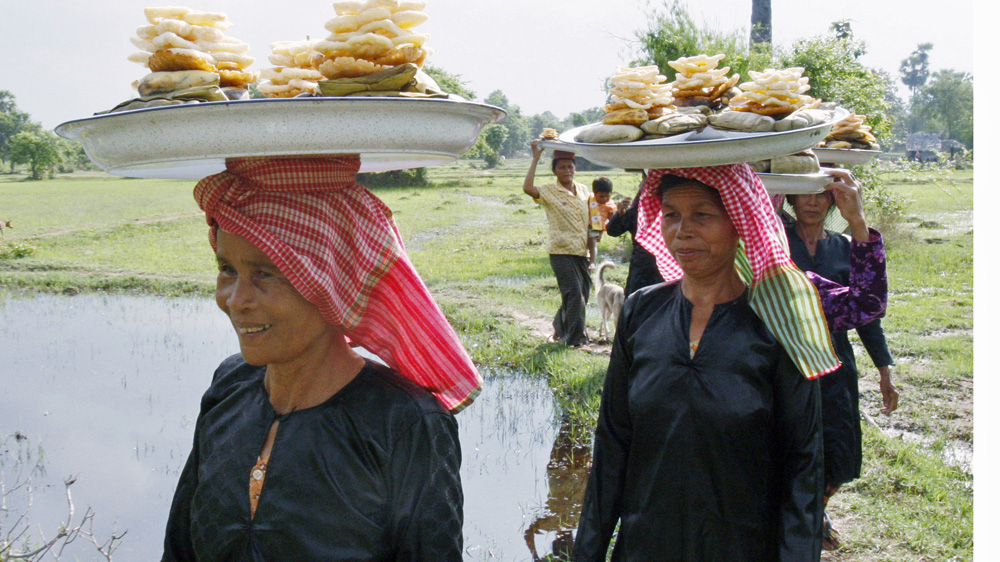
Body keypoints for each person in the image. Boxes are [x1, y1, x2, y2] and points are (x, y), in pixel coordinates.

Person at [161, 156, 482, 562]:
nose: (236, 300)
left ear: (333, 280)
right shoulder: (229, 385)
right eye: (227, 269)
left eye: (266, 273)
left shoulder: (404, 424)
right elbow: (180, 550)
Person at [573, 165, 888, 562]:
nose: (682, 231)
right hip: (647, 541)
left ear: (740, 221)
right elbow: (614, 440)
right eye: (671, 214)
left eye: (702, 215)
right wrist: (588, 551)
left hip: (744, 544)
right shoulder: (641, 310)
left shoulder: (780, 317)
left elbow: (803, 464)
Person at [783, 189, 900, 550]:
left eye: (821, 196)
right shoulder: (776, 242)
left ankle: (818, 509)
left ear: (833, 202)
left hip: (836, 360)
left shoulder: (847, 247)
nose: (813, 202)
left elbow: (867, 315)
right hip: (787, 359)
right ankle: (797, 519)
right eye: (804, 195)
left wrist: (885, 369)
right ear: (791, 198)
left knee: (836, 445)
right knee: (789, 440)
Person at [523, 139, 592, 347]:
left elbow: (593, 218)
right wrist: (535, 158)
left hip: (582, 251)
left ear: (575, 168)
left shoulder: (583, 190)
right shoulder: (548, 190)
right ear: (555, 171)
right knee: (574, 295)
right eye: (562, 167)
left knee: (583, 295)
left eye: (570, 166)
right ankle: (575, 340)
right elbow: (527, 188)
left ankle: (559, 326)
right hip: (560, 251)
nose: (567, 170)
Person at [605, 172, 665, 297]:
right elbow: (613, 231)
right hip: (641, 270)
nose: (641, 184)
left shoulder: (669, 209)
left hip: (664, 269)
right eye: (643, 180)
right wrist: (619, 214)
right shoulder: (637, 211)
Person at [587, 177, 617, 268]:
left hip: (597, 227)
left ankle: (593, 262)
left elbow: (612, 221)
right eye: (601, 196)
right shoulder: (589, 199)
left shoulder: (610, 205)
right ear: (595, 193)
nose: (604, 199)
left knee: (592, 242)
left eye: (607, 196)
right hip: (585, 225)